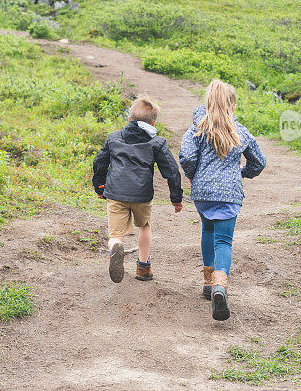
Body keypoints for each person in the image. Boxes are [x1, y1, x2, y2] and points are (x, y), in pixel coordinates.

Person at [179, 80, 266, 321]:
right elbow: (259, 161)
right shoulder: (241, 131)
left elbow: (186, 156)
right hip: (229, 195)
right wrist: (240, 174)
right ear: (233, 106)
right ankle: (220, 285)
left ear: (207, 104)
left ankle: (208, 284)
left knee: (207, 231)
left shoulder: (196, 129)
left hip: (203, 193)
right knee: (224, 241)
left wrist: (194, 174)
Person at [92, 96, 184, 283]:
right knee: (144, 225)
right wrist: (176, 198)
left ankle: (116, 247)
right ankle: (143, 267)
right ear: (154, 122)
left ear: (129, 119)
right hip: (141, 194)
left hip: (115, 192)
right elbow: (172, 171)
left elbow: (99, 164)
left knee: (115, 234)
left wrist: (100, 186)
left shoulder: (114, 138)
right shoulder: (156, 142)